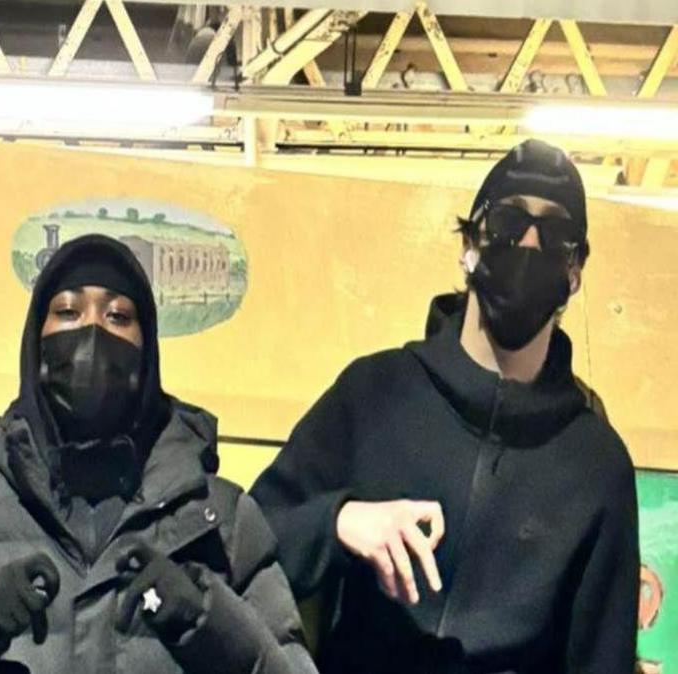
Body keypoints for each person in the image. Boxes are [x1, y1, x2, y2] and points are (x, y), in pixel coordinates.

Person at [250, 139, 639, 674]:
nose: (528, 243)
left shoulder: (597, 465)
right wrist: (338, 520)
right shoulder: (372, 395)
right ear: (469, 245)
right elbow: (248, 539)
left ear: (574, 271)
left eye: (554, 233)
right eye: (507, 221)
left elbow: (603, 660)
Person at [0, 234, 317, 674]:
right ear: (37, 349)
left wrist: (211, 625)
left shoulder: (223, 519)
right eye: (68, 311)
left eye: (118, 316)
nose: (93, 331)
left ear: (147, 355)